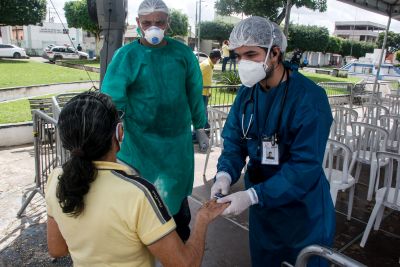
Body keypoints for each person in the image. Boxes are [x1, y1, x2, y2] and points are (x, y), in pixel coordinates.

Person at [46, 92, 228, 266]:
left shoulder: (56, 179)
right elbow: (186, 264)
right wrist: (202, 220)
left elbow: (57, 249)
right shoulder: (138, 193)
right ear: (119, 132)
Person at [210, 16, 335, 267]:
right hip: (264, 213)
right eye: (238, 55)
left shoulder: (310, 99)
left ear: (275, 53)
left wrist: (254, 195)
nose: (243, 63)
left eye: (251, 54)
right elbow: (234, 140)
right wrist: (224, 173)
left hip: (302, 212)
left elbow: (305, 166)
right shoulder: (247, 94)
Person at [101, 0, 209, 242]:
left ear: (167, 23)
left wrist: (200, 127)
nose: (154, 28)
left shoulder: (182, 54)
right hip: (139, 145)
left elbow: (194, 92)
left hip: (176, 146)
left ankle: (179, 251)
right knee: (140, 206)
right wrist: (110, 136)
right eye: (148, 23)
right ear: (138, 24)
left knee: (178, 211)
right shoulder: (125, 57)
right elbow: (111, 99)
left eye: (159, 22)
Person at [200, 49, 222, 129]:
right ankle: (202, 129)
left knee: (204, 111)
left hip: (204, 92)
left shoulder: (209, 65)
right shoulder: (207, 65)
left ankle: (206, 127)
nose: (218, 61)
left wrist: (208, 91)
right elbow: (196, 77)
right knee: (202, 112)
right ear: (216, 58)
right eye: (219, 59)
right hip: (201, 93)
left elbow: (205, 79)